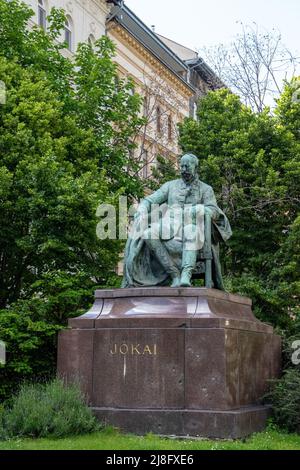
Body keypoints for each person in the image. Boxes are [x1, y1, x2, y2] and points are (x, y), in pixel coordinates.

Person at [122, 153, 232, 289]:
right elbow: (151, 200)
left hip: (192, 224)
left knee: (190, 232)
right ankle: (174, 274)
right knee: (149, 234)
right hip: (170, 224)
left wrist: (200, 209)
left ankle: (186, 274)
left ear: (195, 167)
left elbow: (214, 210)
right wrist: (142, 208)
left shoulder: (205, 189)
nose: (184, 169)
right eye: (182, 166)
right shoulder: (170, 186)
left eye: (187, 166)